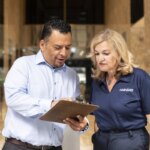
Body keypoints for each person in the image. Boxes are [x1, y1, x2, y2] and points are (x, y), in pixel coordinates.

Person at [2, 17, 88, 150]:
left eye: (68, 47)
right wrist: (51, 105)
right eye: (58, 47)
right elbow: (14, 98)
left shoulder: (72, 76)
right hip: (20, 147)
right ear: (42, 45)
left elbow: (74, 111)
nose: (64, 53)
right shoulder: (23, 65)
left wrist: (82, 124)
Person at [89, 29, 150, 150]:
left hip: (131, 141)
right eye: (97, 53)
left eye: (106, 53)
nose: (100, 59)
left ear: (119, 53)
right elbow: (98, 116)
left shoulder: (139, 77)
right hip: (102, 141)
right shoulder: (97, 82)